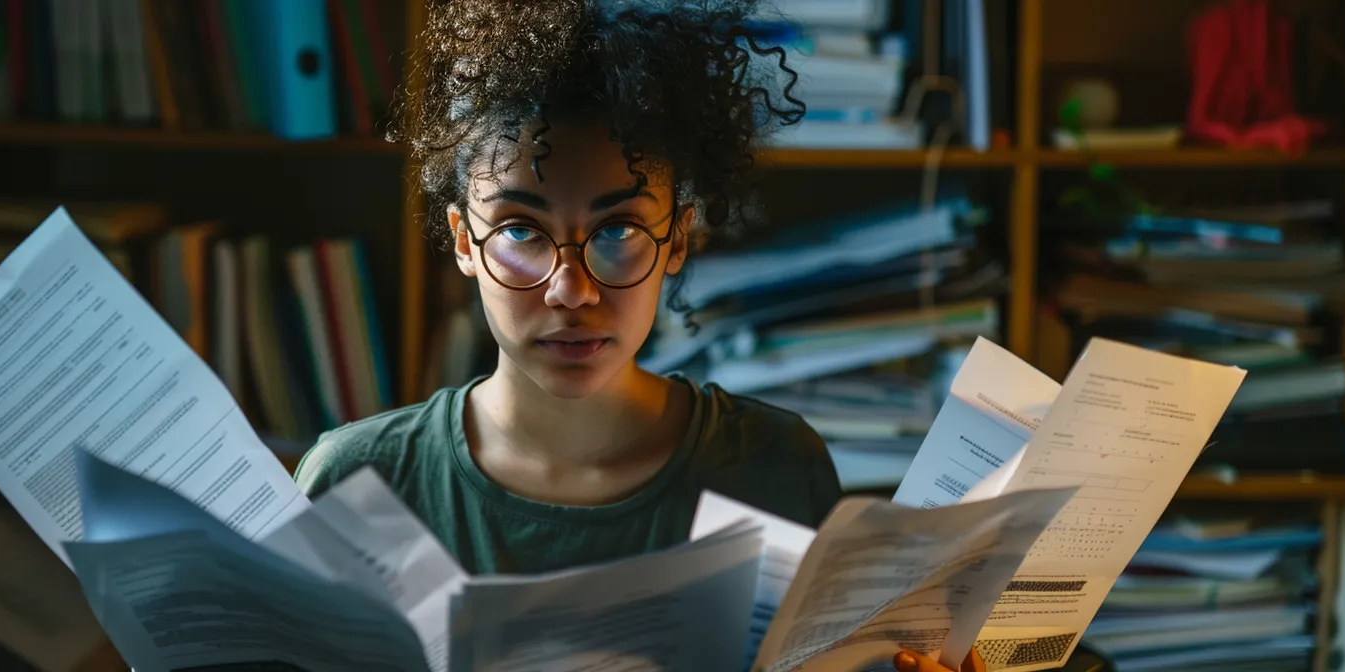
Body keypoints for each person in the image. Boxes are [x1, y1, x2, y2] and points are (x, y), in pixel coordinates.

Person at [293, 0, 983, 670]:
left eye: (618, 230)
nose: (572, 290)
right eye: (520, 232)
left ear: (678, 238)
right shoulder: (361, 482)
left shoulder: (774, 468)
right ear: (464, 243)